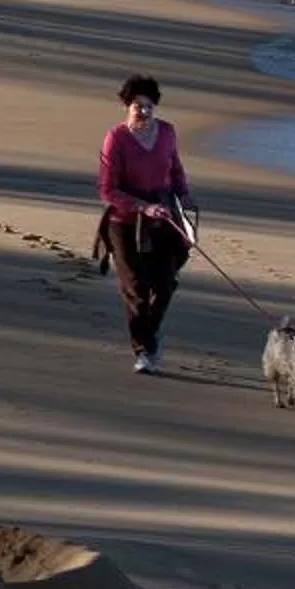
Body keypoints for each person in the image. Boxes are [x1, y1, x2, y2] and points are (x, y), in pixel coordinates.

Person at [97, 72, 195, 374]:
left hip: (164, 216)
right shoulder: (116, 138)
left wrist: (184, 196)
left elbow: (175, 169)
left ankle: (149, 334)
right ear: (127, 106)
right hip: (124, 220)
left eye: (149, 105)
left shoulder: (167, 132)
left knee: (165, 285)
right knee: (136, 289)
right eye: (138, 105)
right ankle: (144, 350)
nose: (144, 111)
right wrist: (142, 206)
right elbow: (107, 190)